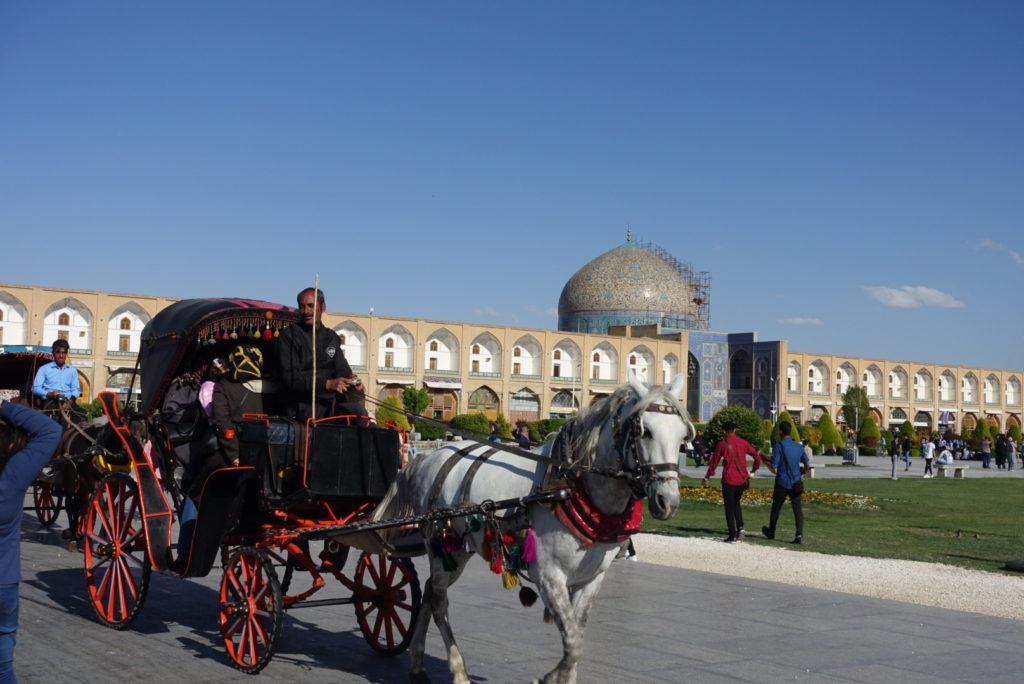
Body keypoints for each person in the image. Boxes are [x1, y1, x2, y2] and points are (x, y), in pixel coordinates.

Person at [0, 400, 62, 682]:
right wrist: (4, 406)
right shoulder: (13, 476)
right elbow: (50, 430)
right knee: (4, 668)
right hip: (4, 583)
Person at [275, 287, 364, 422]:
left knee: (357, 412)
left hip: (330, 403)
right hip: (301, 405)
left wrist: (355, 381)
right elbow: (290, 378)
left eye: (311, 306)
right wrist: (327, 384)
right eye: (302, 306)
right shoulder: (288, 335)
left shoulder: (331, 337)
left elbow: (344, 370)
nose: (306, 311)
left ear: (323, 307)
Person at [701, 421, 763, 543]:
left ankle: (732, 534)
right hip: (742, 480)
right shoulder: (743, 442)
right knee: (736, 504)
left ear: (723, 431)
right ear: (734, 430)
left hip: (729, 479)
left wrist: (708, 476)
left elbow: (714, 462)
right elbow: (757, 456)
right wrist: (753, 470)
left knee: (729, 507)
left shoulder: (722, 444)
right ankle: (740, 528)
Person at [761, 421, 809, 544]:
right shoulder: (799, 446)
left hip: (782, 481)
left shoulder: (779, 446)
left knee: (776, 508)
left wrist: (763, 458)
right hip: (796, 481)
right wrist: (801, 471)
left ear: (781, 432)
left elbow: (774, 464)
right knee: (797, 509)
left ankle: (771, 531)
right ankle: (799, 535)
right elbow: (807, 464)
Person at [31, 339, 84, 423]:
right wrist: (49, 394)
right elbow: (35, 388)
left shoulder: (72, 370)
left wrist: (70, 402)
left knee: (82, 414)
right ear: (53, 354)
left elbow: (76, 389)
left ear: (66, 354)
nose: (61, 356)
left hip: (68, 401)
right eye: (58, 352)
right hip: (50, 401)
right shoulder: (44, 369)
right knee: (59, 418)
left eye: (63, 353)